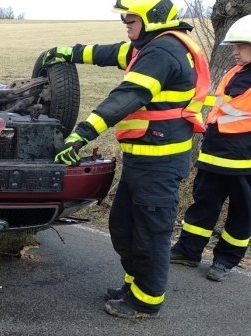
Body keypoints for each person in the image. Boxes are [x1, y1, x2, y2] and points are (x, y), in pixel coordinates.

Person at [42, 0, 210, 318]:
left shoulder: (163, 53)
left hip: (159, 163)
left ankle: (146, 300)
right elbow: (110, 52)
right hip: (142, 160)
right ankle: (133, 285)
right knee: (124, 227)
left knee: (150, 232)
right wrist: (69, 51)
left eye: (130, 17)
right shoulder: (148, 46)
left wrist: (80, 136)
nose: (126, 23)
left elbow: (126, 97)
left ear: (152, 17)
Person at [170, 15, 251, 282]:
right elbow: (219, 107)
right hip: (215, 156)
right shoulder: (235, 72)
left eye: (241, 46)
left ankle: (225, 261)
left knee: (242, 215)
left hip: (244, 164)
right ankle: (188, 251)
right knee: (202, 206)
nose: (235, 52)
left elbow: (232, 113)